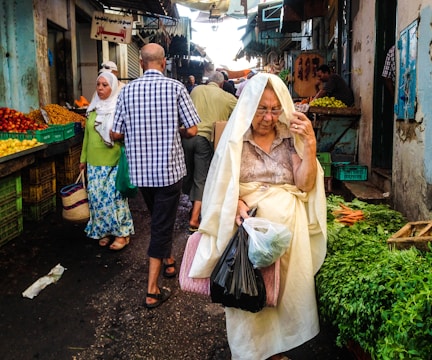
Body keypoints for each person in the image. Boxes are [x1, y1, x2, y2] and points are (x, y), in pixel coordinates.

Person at [188, 73, 327, 360]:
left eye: (275, 109)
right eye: (262, 108)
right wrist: (236, 203)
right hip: (247, 236)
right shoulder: (236, 141)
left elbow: (304, 184)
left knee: (280, 298)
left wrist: (310, 143)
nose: (268, 117)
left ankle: (274, 352)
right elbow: (221, 186)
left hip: (288, 241)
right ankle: (251, 354)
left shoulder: (290, 140)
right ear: (249, 106)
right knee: (247, 292)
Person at [111, 43, 200, 309]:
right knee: (161, 225)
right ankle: (151, 290)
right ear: (163, 63)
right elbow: (193, 130)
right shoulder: (175, 88)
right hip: (168, 171)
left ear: (140, 62)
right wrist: (178, 131)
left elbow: (115, 133)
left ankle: (169, 262)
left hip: (141, 172)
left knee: (160, 219)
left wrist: (138, 134)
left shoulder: (127, 91)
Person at [79, 71, 134, 251]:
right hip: (94, 163)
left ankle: (122, 233)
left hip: (114, 160)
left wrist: (119, 136)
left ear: (113, 86)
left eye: (105, 85)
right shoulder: (93, 108)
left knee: (114, 198)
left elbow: (130, 134)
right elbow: (87, 135)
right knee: (96, 198)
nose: (101, 88)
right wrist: (83, 159)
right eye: (98, 85)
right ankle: (103, 231)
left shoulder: (119, 108)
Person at [182, 71, 238, 232]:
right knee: (201, 178)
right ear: (221, 83)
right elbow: (241, 111)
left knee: (188, 174)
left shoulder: (196, 90)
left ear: (208, 81)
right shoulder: (227, 97)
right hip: (205, 140)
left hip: (186, 137)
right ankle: (194, 219)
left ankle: (194, 207)